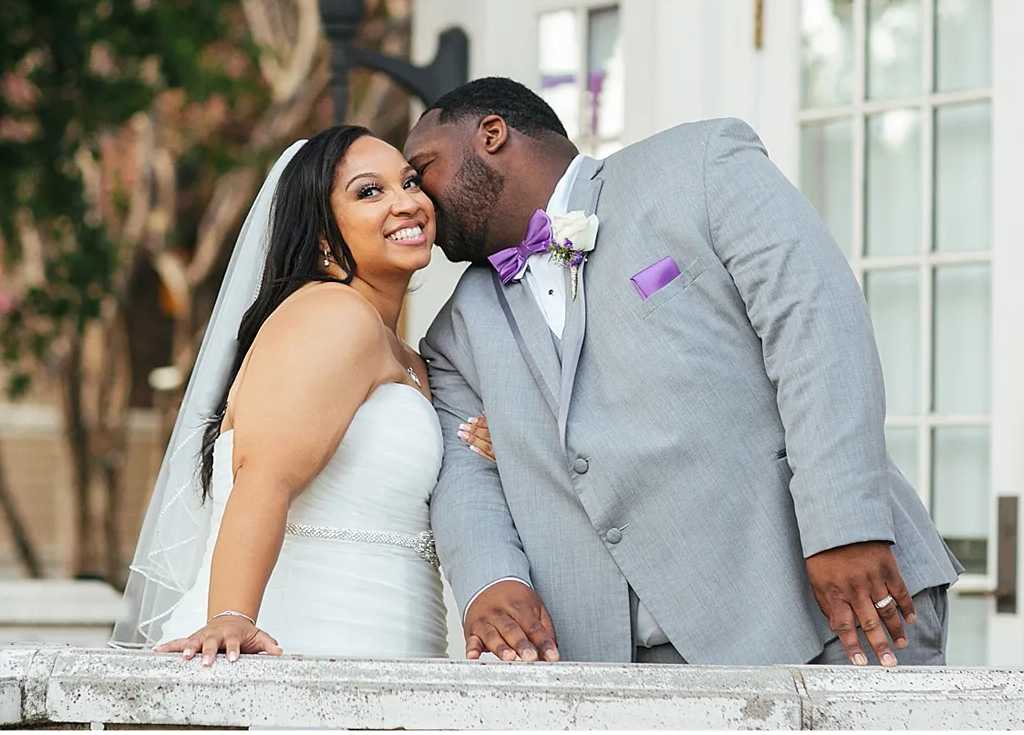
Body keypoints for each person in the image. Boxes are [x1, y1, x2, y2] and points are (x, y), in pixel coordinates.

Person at [404, 78, 962, 667]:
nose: (415, 195)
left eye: (422, 167)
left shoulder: (699, 165)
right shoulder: (455, 332)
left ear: (491, 134)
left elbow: (816, 325)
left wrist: (844, 525)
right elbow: (465, 476)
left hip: (824, 609)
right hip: (621, 666)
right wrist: (491, 582)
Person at [112, 125, 490, 663]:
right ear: (319, 235)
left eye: (409, 183)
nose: (406, 203)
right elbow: (264, 474)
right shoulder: (333, 314)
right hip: (301, 637)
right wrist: (232, 618)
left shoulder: (407, 355)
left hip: (392, 647)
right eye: (369, 192)